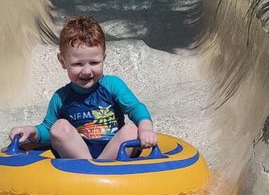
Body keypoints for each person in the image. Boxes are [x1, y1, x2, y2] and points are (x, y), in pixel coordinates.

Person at [9, 15, 158, 160]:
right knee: (58, 127)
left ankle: (99, 167)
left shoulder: (112, 85)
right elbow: (48, 130)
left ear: (103, 58)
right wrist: (31, 131)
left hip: (113, 154)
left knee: (132, 130)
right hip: (79, 157)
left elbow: (134, 107)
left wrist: (145, 128)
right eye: (78, 64)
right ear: (62, 61)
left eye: (94, 63)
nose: (87, 71)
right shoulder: (61, 97)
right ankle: (91, 168)